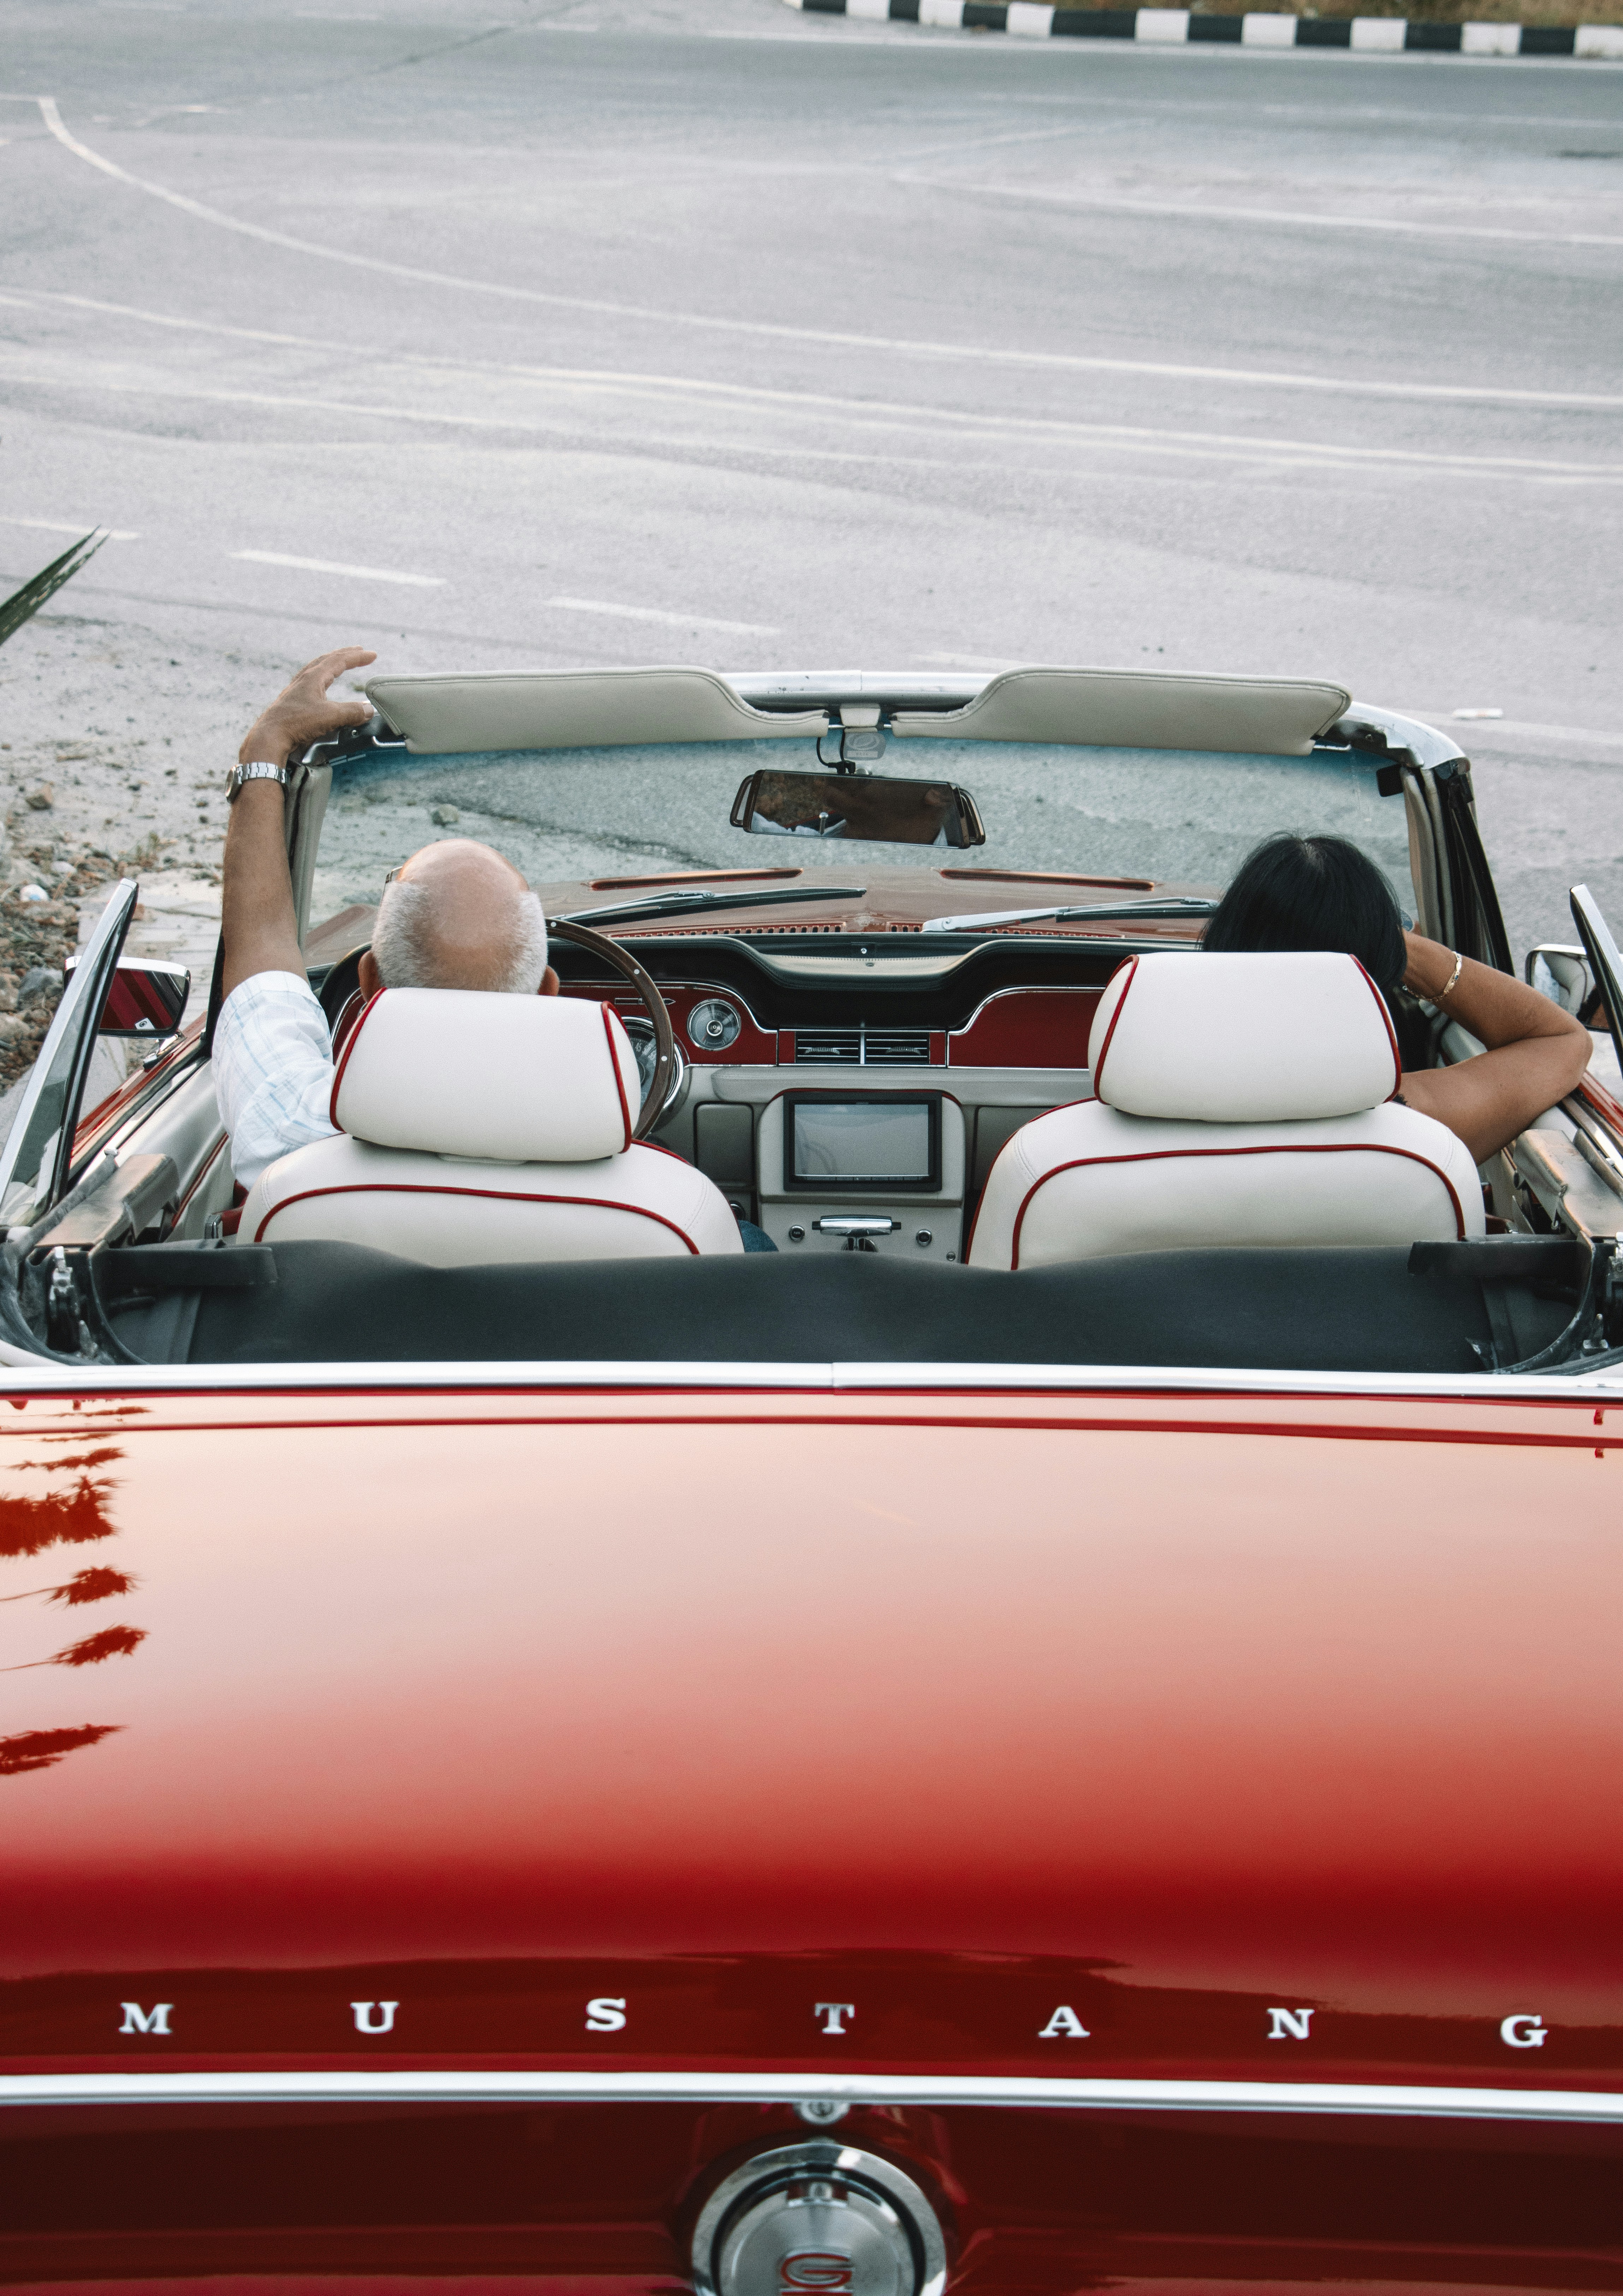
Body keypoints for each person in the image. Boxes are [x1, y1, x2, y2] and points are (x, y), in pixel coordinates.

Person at [213, 649, 778, 1251]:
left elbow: (262, 951)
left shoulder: (290, 1136)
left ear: (371, 982)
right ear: (548, 994)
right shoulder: (676, 1214)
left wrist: (266, 747)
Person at [1202, 833, 1593, 1165]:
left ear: (1223, 948)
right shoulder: (1407, 1120)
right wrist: (1384, 941)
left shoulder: (1149, 1102)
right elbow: (1561, 1039)